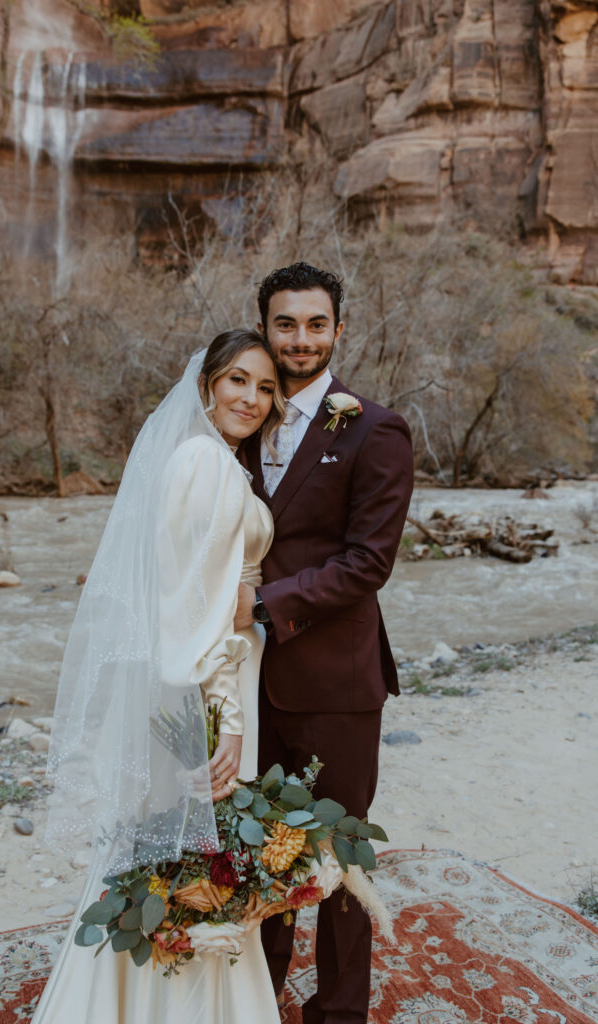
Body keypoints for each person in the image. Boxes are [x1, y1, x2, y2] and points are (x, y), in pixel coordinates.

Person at [31, 330, 284, 1024]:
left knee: (184, 854)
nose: (251, 398)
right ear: (206, 385)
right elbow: (192, 613)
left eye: (265, 388)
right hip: (203, 689)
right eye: (237, 380)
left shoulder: (219, 463)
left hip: (217, 675)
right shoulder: (202, 462)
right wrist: (224, 720)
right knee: (185, 855)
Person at [237, 262, 414, 1024]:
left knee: (340, 857)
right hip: (244, 681)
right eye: (285, 324)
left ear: (338, 330)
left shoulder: (375, 428)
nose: (300, 339)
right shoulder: (238, 417)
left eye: (315, 324)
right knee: (260, 845)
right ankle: (253, 994)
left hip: (336, 682)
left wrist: (263, 604)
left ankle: (338, 1010)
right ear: (264, 327)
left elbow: (368, 561)